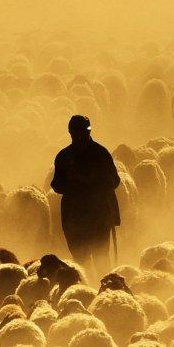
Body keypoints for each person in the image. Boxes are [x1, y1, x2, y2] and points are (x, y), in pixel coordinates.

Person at [50, 115, 121, 275]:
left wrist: (92, 181)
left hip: (97, 216)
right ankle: (85, 286)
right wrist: (72, 182)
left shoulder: (100, 154)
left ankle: (104, 286)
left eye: (82, 132)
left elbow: (114, 181)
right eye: (76, 133)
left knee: (100, 258)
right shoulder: (65, 157)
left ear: (89, 131)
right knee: (81, 261)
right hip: (76, 218)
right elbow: (56, 184)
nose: (79, 136)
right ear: (70, 133)